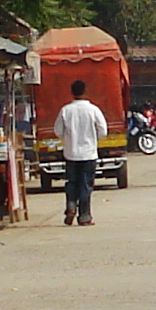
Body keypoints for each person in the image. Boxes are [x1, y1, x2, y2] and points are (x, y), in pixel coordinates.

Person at [56, 81, 106, 225]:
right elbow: (103, 130)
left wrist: (69, 139)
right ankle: (84, 216)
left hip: (71, 153)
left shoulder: (65, 110)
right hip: (89, 154)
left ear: (72, 92)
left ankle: (71, 206)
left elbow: (58, 131)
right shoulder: (93, 110)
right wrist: (92, 139)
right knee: (86, 185)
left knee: (72, 182)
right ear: (85, 91)